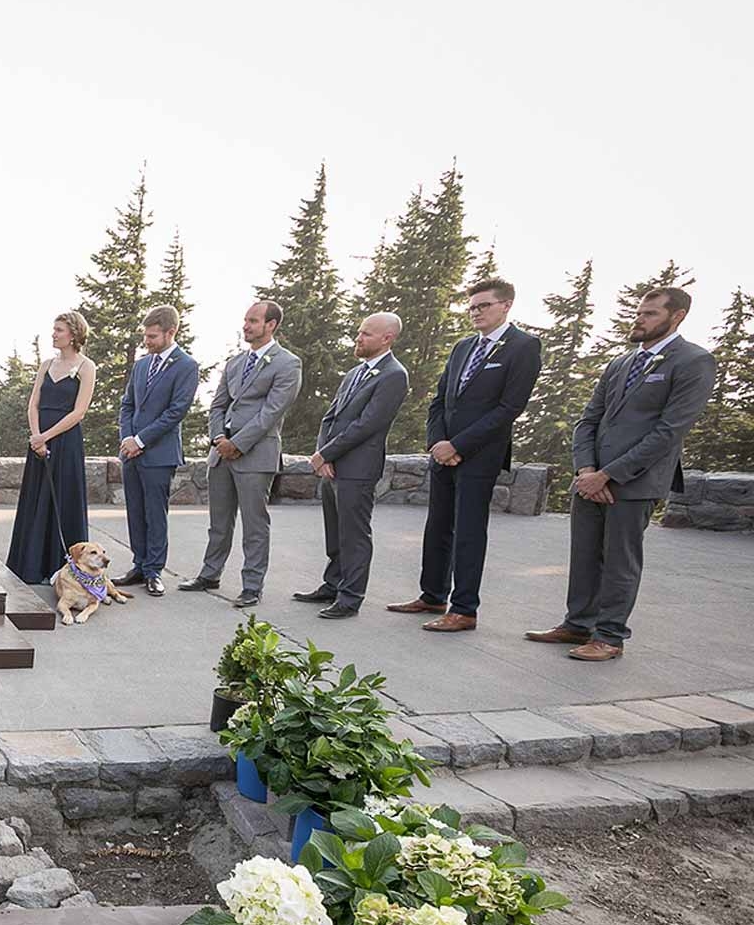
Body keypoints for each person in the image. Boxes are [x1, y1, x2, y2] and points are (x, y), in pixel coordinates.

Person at [526, 287, 716, 661]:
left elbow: (669, 431)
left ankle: (610, 635)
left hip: (635, 482)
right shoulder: (621, 363)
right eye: (639, 312)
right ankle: (578, 623)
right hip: (591, 478)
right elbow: (589, 420)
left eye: (649, 314)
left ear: (676, 316)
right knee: (584, 554)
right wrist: (587, 470)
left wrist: (610, 475)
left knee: (619, 559)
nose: (639, 319)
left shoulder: (694, 361)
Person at [389, 277, 542, 632]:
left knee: (469, 532)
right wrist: (437, 443)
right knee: (438, 525)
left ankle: (464, 609)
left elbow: (509, 408)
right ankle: (432, 595)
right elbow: (440, 400)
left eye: (483, 305)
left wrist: (459, 446)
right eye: (472, 306)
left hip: (480, 455)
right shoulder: (462, 347)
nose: (475, 312)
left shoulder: (523, 347)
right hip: (443, 453)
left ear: (506, 306)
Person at [179, 301, 299, 607]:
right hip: (221, 454)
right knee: (219, 522)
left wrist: (239, 443)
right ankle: (210, 573)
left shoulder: (287, 363)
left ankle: (252, 586)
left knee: (254, 525)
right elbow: (218, 404)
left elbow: (271, 412)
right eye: (245, 320)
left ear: (271, 325)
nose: (246, 326)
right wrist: (219, 438)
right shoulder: (234, 363)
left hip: (255, 456)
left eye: (253, 321)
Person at [293, 313, 408, 618]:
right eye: (359, 332)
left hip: (358, 468)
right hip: (332, 465)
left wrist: (328, 454)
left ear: (387, 338)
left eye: (366, 334)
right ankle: (332, 584)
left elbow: (368, 424)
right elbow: (330, 417)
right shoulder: (355, 373)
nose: (358, 338)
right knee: (335, 531)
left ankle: (351, 597)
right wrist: (323, 454)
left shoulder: (394, 375)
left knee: (354, 534)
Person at [5, 311, 97, 584]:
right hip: (38, 442)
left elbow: (79, 412)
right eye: (54, 329)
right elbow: (33, 404)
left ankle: (64, 569)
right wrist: (36, 437)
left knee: (63, 499)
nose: (54, 334)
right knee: (36, 499)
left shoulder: (86, 367)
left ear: (74, 334)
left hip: (65, 442)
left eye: (59, 330)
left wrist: (47, 436)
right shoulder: (46, 364)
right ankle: (30, 566)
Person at [113, 305, 198, 596]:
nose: (146, 341)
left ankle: (154, 570)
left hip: (159, 454)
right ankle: (139, 564)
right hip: (131, 453)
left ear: (170, 332)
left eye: (152, 336)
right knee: (135, 511)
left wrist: (141, 440)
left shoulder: (186, 366)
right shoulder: (141, 365)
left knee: (155, 513)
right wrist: (128, 439)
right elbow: (128, 405)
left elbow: (176, 412)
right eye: (145, 336)